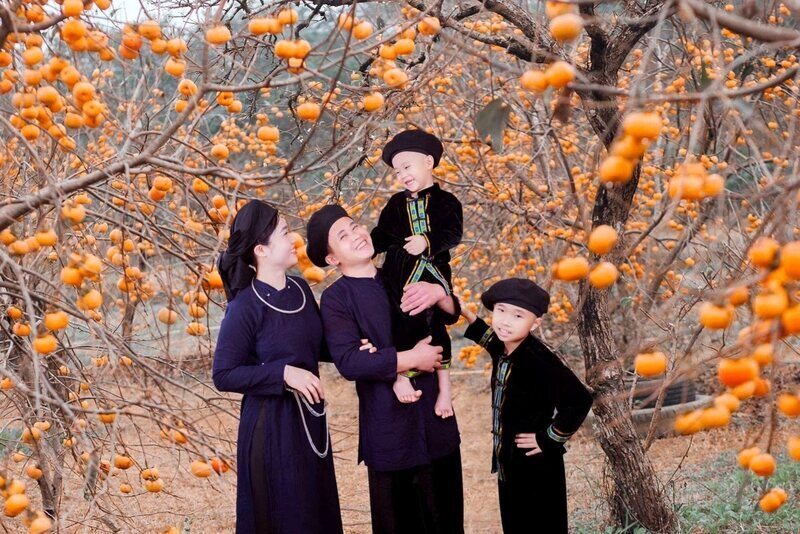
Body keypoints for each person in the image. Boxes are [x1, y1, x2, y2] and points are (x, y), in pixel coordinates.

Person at [307, 204, 464, 533]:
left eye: (355, 226)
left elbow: (445, 319)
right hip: (389, 431)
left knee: (446, 521)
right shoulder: (337, 299)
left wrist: (440, 291)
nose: (356, 235)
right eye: (343, 236)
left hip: (436, 421)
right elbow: (350, 361)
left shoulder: (401, 274)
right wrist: (410, 360)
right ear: (332, 258)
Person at [212, 199, 343, 534]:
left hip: (309, 422)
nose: (293, 239)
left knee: (315, 514)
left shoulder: (300, 289)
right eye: (284, 233)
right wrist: (284, 373)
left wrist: (356, 345)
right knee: (285, 518)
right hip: (270, 430)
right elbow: (224, 373)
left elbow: (316, 345)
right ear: (262, 250)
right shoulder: (245, 306)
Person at [460, 278, 593, 534]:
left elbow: (579, 400)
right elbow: (490, 340)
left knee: (540, 524)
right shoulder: (506, 348)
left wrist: (548, 438)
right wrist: (467, 314)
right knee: (515, 522)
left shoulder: (539, 359)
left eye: (518, 315)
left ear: (535, 323)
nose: (505, 321)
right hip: (510, 464)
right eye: (500, 311)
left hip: (536, 465)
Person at [371, 129, 463, 416]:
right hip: (399, 275)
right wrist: (364, 248)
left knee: (436, 328)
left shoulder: (447, 202)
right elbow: (381, 234)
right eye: (397, 172)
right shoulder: (395, 204)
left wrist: (427, 241)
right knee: (398, 322)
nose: (402, 175)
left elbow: (453, 234)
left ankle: (445, 390)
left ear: (428, 162)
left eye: (407, 167)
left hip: (433, 272)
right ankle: (402, 373)